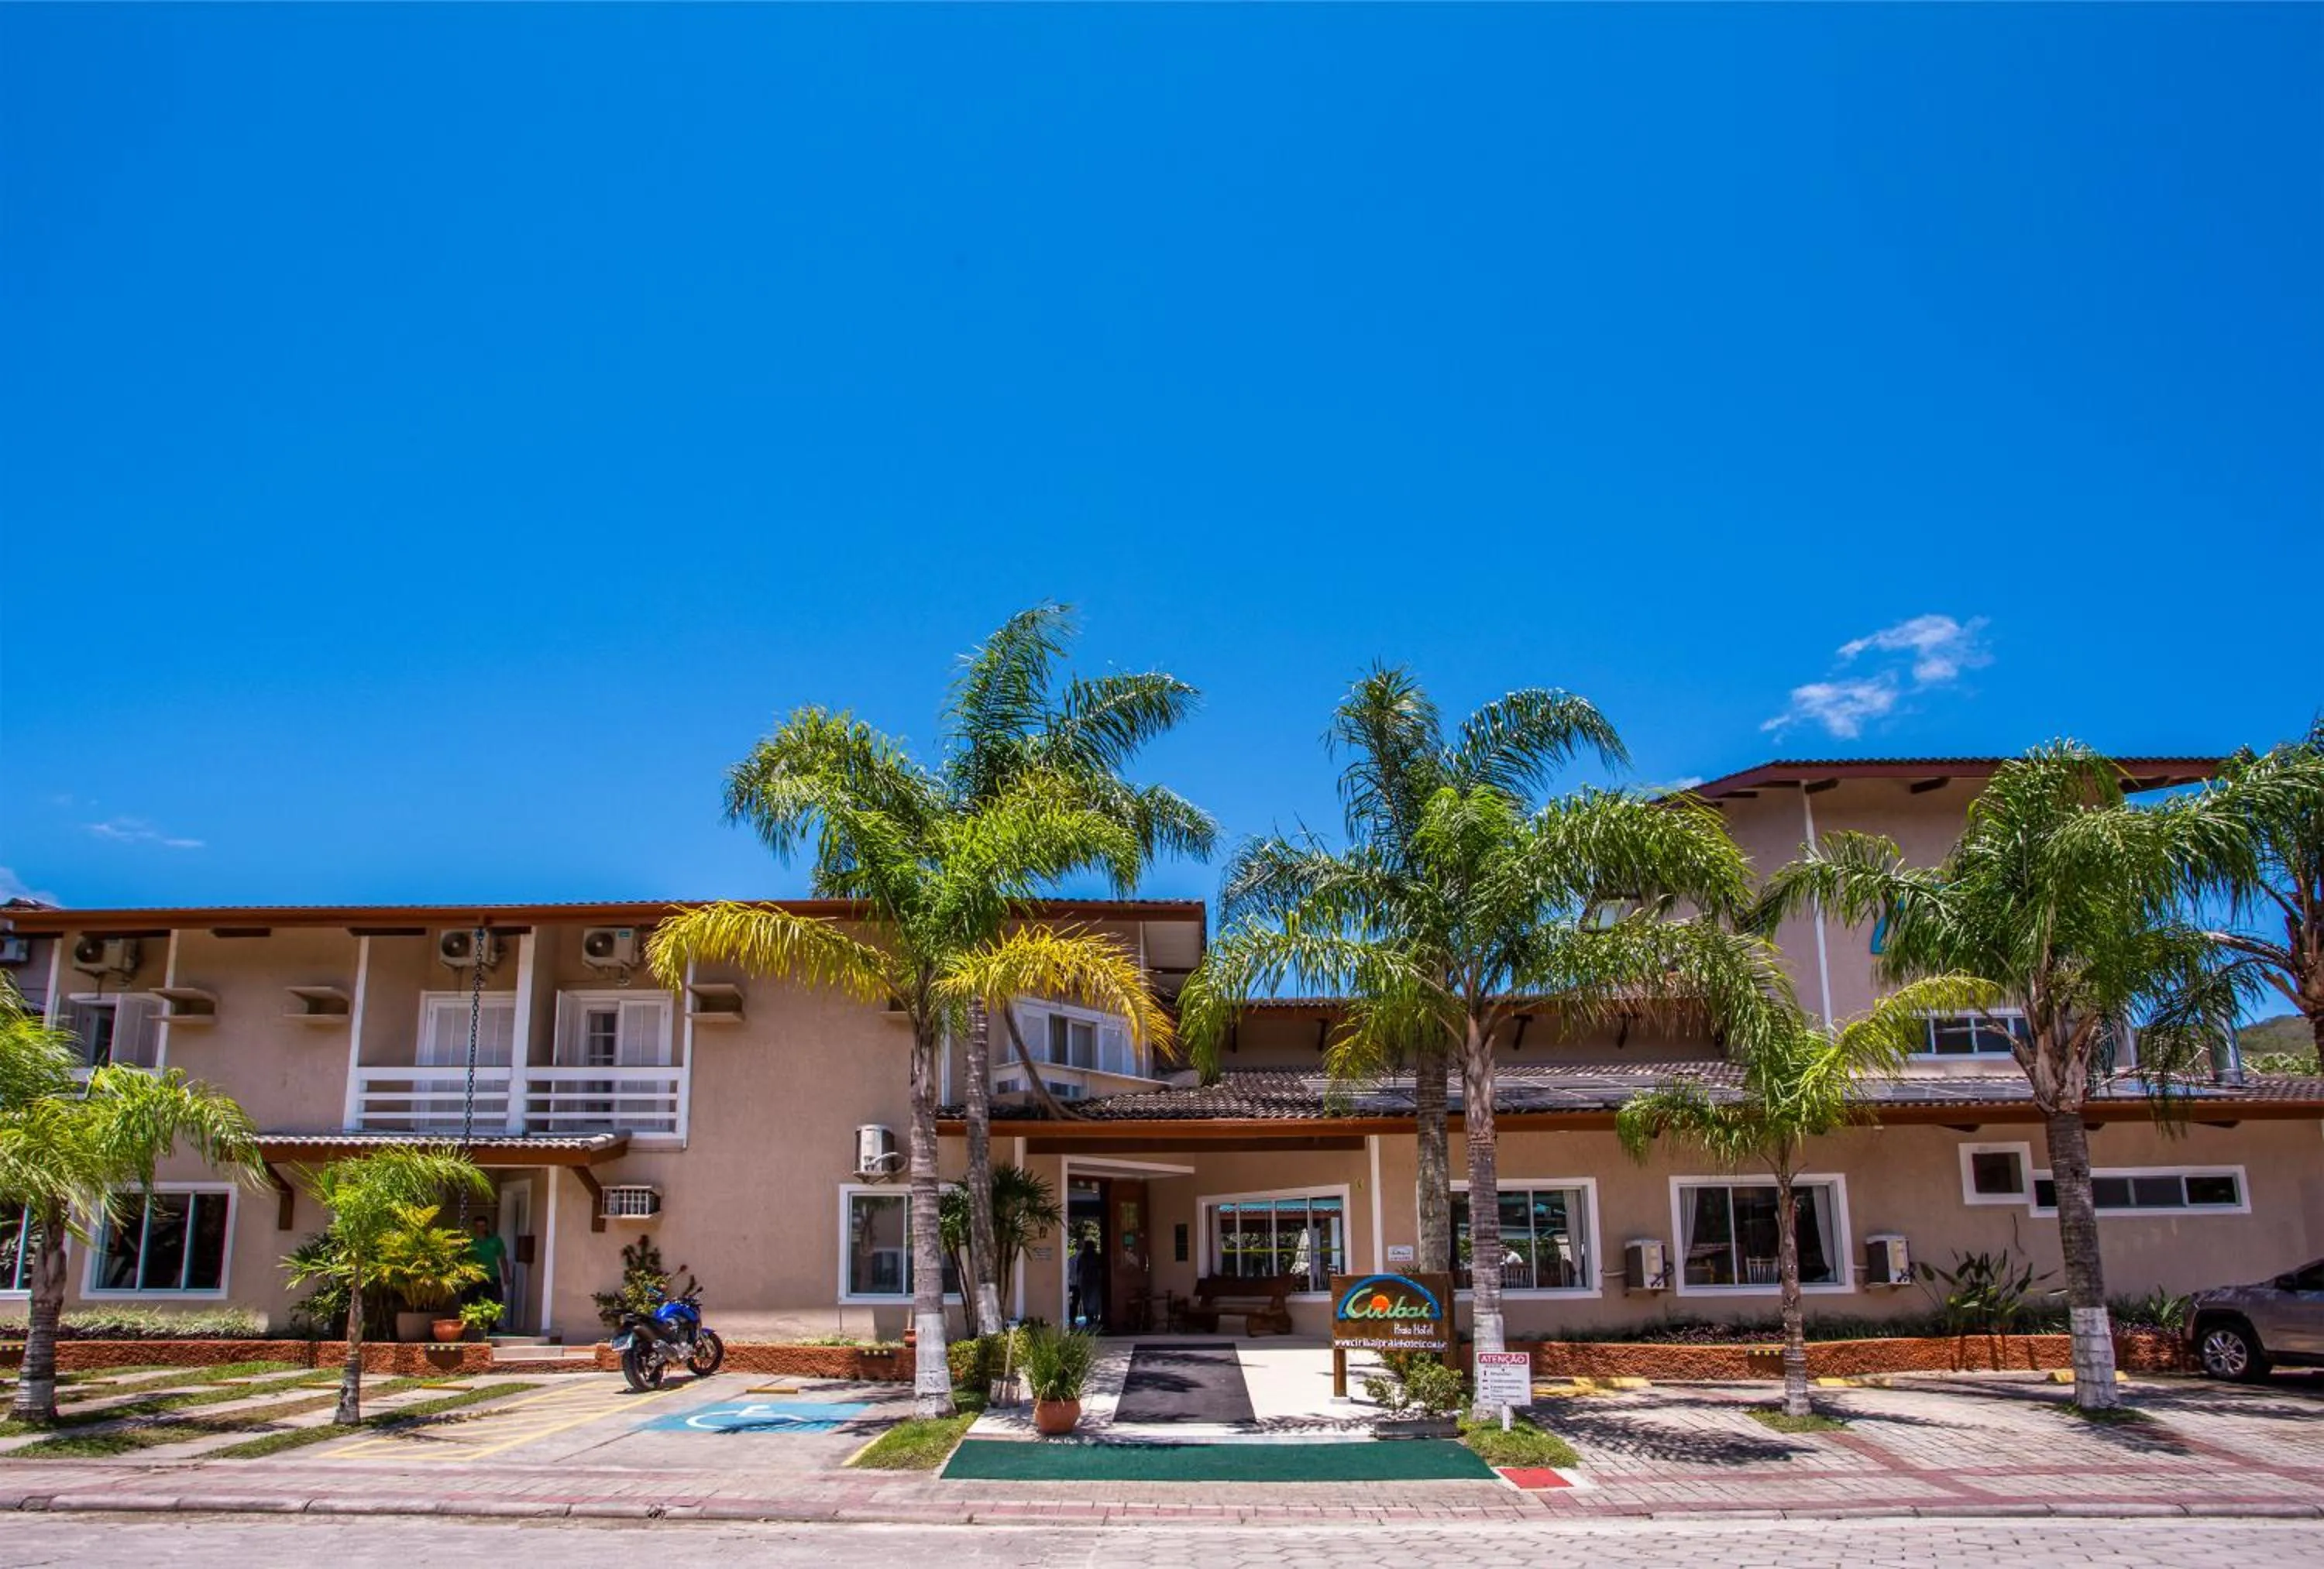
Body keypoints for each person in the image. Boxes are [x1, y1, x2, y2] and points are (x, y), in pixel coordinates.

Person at [465, 1217, 509, 1311]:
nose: (480, 1228)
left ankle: (491, 1320)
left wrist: (506, 1275)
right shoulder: (469, 1241)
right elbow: (464, 1260)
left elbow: (503, 1258)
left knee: (493, 1303)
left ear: (486, 1226)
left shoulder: (496, 1240)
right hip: (474, 1277)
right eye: (477, 1226)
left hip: (492, 1275)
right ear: (474, 1227)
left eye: (483, 1226)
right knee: (472, 1303)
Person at [1071, 1237, 1105, 1332]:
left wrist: (1078, 1282)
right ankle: (1094, 1320)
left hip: (1085, 1282)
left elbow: (1079, 1271)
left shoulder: (1082, 1257)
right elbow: (1100, 1270)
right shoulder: (1097, 1257)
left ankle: (1089, 1320)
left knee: (1086, 1301)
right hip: (1095, 1281)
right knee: (1094, 1301)